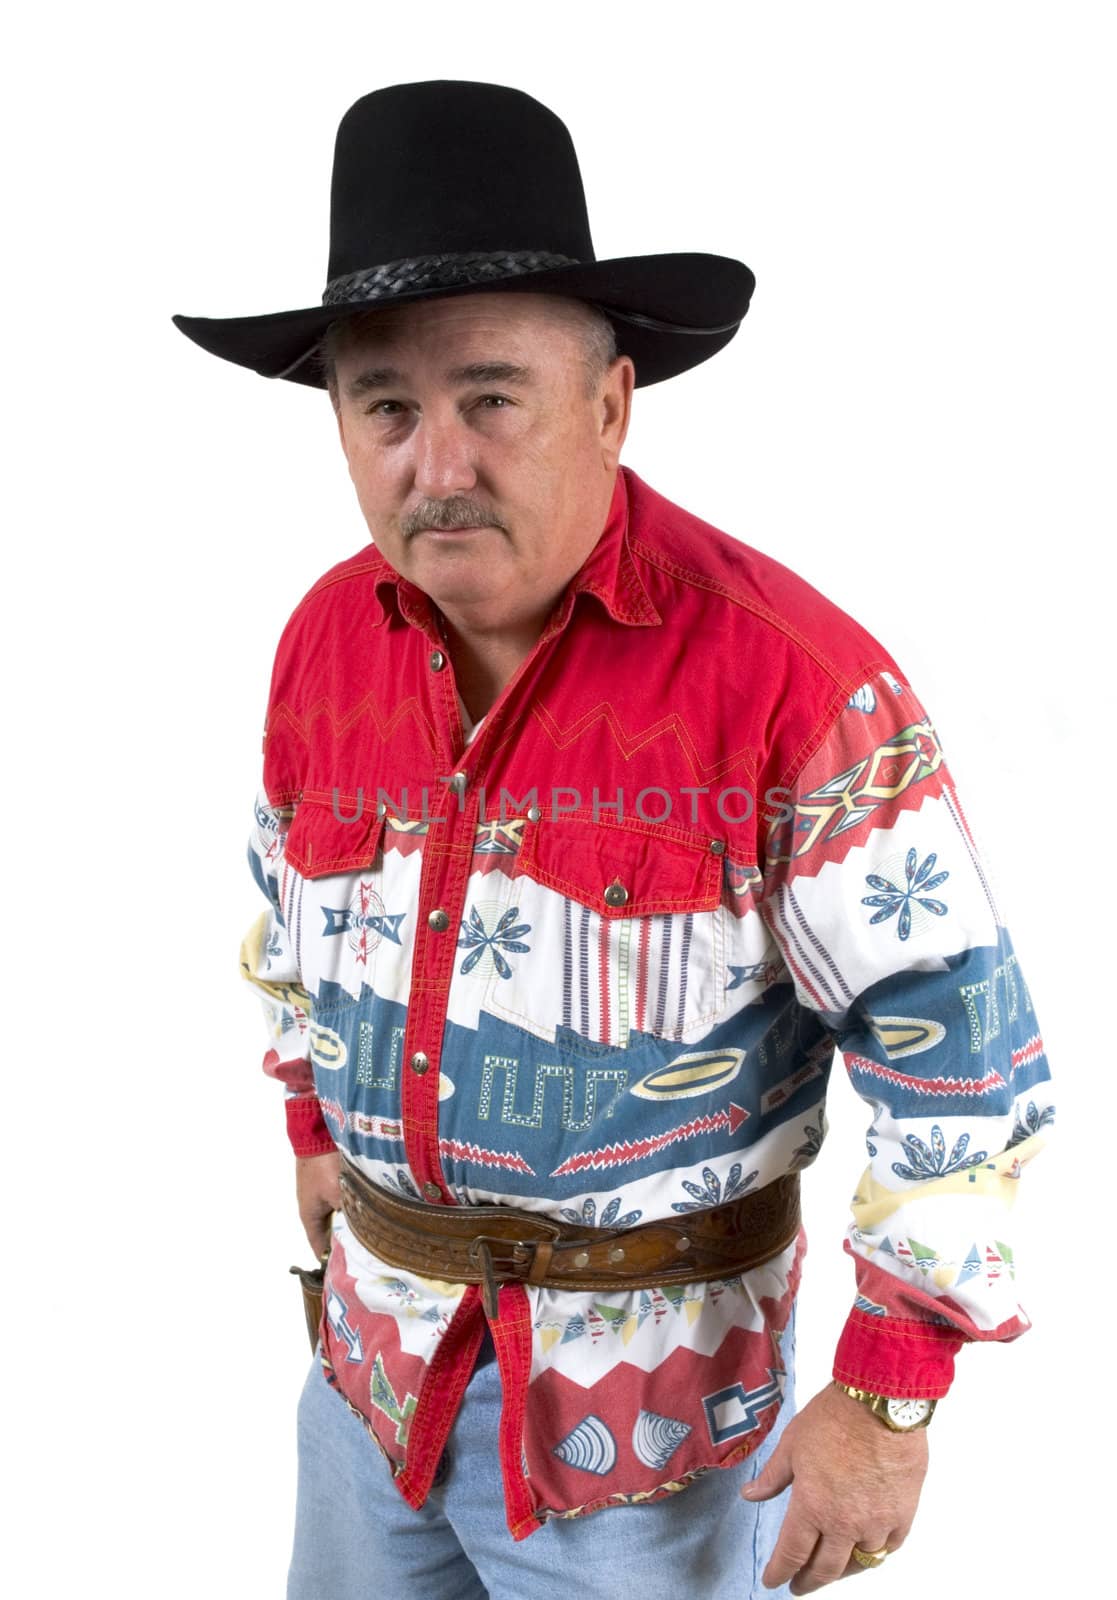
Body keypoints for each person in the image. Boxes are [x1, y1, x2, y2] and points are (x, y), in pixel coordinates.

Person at [174, 79, 1056, 1599]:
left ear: (609, 401)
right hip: (374, 1383)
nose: (434, 464)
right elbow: (283, 921)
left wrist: (891, 1390)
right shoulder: (325, 638)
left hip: (649, 1441)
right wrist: (312, 1127)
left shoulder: (790, 681)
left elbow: (957, 1056)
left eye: (490, 397)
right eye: (385, 405)